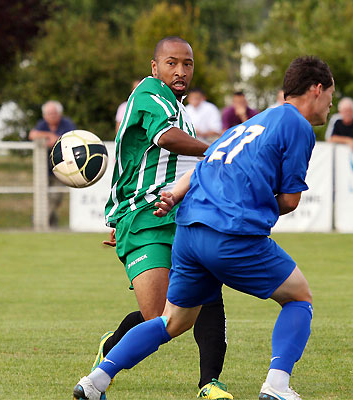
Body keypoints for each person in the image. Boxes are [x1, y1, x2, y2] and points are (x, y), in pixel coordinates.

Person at [73, 56, 334, 400]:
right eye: (331, 94)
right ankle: (277, 386)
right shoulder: (297, 125)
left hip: (189, 232)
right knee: (299, 297)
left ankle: (95, 381)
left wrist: (175, 193)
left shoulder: (250, 124)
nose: (330, 103)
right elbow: (289, 202)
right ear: (317, 89)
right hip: (230, 232)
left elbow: (203, 165)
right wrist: (254, 196)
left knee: (173, 321)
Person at [73, 37, 231, 400]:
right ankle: (112, 346)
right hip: (144, 217)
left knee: (207, 291)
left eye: (187, 64)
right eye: (172, 63)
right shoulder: (148, 94)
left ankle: (210, 384)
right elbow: (166, 139)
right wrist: (217, 147)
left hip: (182, 215)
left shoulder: (179, 107)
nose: (181, 70)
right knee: (160, 316)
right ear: (155, 67)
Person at [28, 100, 76, 227]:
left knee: (56, 196)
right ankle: (50, 224)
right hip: (44, 168)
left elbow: (69, 138)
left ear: (59, 114)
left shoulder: (67, 124)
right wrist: (49, 135)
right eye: (49, 114)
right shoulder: (42, 124)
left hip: (62, 167)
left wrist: (55, 140)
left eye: (54, 113)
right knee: (42, 196)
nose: (52, 116)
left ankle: (38, 221)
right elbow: (32, 134)